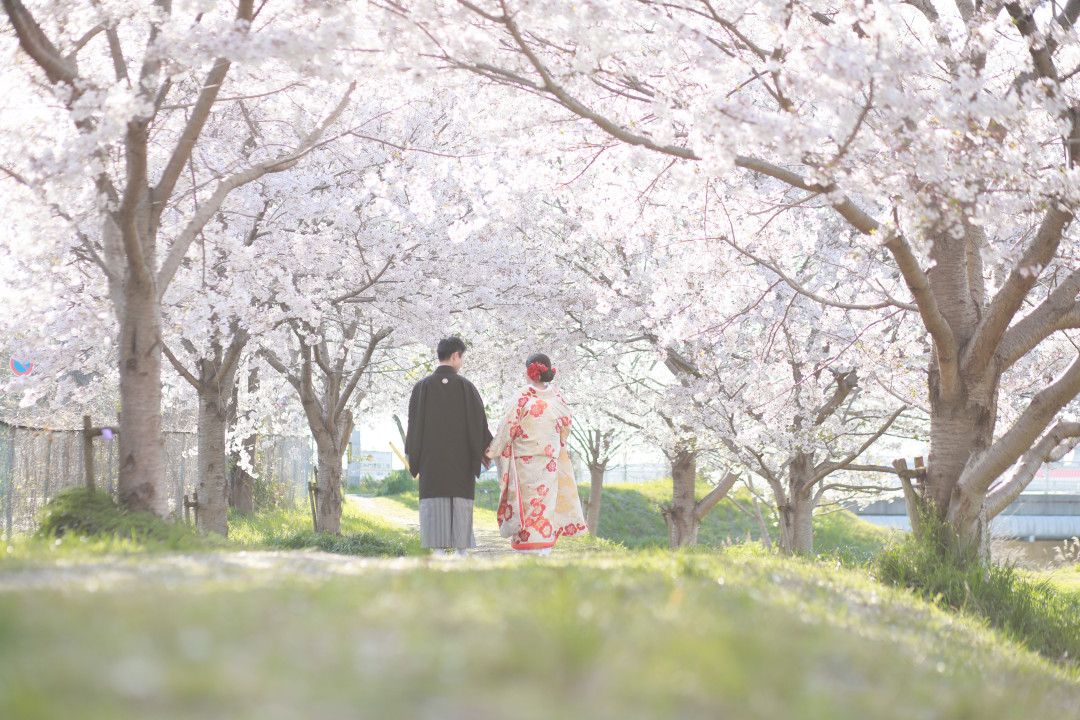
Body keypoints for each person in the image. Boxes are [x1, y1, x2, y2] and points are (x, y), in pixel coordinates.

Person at [485, 353, 588, 554]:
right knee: (545, 505)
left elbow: (507, 427)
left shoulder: (523, 396)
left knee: (525, 504)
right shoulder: (556, 398)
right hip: (549, 462)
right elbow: (566, 425)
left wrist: (492, 452)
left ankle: (526, 548)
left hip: (524, 462)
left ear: (530, 371)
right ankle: (543, 548)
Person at [405, 337, 493, 556]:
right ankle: (462, 550)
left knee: (435, 499)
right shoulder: (466, 387)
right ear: (455, 355)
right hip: (460, 461)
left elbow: (413, 426)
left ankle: (438, 550)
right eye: (462, 357)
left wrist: (413, 458)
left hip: (431, 460)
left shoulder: (422, 387)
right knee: (460, 499)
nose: (461, 361)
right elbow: (479, 423)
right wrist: (485, 450)